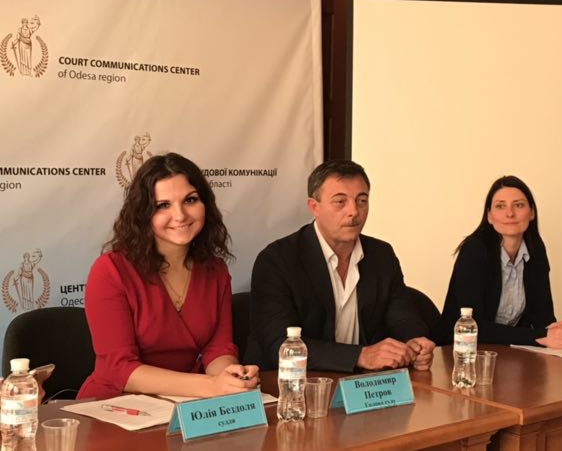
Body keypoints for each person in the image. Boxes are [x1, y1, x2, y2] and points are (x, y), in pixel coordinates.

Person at [78, 153, 258, 400]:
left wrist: (231, 378)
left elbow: (218, 348)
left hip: (185, 401)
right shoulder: (110, 270)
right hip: (113, 403)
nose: (180, 215)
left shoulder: (214, 270)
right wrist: (211, 386)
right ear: (143, 213)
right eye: (163, 205)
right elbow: (119, 368)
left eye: (190, 200)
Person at [247, 160, 436, 373]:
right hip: (293, 383)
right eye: (340, 202)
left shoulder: (381, 255)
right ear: (314, 207)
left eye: (362, 201)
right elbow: (279, 344)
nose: (354, 211)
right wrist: (360, 356)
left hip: (364, 384)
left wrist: (416, 343)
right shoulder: (277, 260)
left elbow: (403, 317)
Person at [439, 175, 562, 348]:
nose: (510, 214)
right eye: (500, 206)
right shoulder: (475, 250)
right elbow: (472, 326)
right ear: (489, 216)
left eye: (518, 205)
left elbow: (543, 318)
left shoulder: (535, 248)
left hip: (510, 352)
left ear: (532, 213)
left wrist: (558, 333)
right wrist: (539, 336)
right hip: (461, 352)